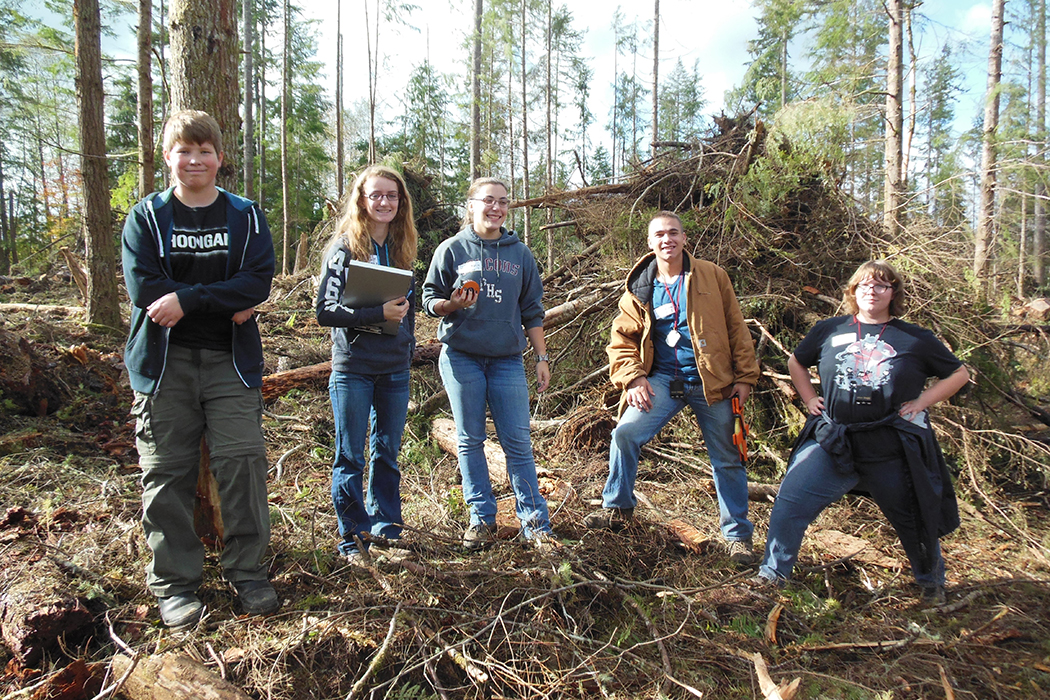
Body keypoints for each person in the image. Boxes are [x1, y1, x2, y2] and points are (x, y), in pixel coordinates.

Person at [121, 110, 278, 627]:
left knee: (242, 463)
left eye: (204, 151)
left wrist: (187, 299)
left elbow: (255, 283)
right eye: (184, 151)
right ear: (168, 157)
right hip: (164, 366)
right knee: (166, 473)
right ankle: (175, 584)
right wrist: (218, 297)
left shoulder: (246, 217)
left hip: (229, 362)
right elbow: (147, 290)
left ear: (219, 157)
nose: (195, 161)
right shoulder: (146, 218)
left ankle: (248, 571)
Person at [753, 260, 969, 604]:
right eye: (865, 285)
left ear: (893, 293)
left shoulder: (915, 338)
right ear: (853, 290)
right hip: (833, 439)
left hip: (890, 445)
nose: (873, 290)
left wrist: (921, 402)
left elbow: (958, 374)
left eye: (882, 285)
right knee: (790, 501)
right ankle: (772, 576)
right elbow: (796, 361)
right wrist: (808, 397)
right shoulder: (829, 329)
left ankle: (931, 582)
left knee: (913, 515)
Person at [584, 211, 761, 565]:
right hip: (662, 381)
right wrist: (633, 378)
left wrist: (745, 377)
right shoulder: (640, 287)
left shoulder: (712, 275)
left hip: (713, 382)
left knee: (728, 458)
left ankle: (738, 538)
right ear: (650, 243)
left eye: (674, 233)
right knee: (626, 434)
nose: (668, 240)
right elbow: (620, 340)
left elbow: (737, 329)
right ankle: (618, 509)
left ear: (684, 238)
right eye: (660, 235)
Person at [422, 177, 554, 550]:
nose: (496, 208)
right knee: (470, 439)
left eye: (503, 202)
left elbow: (532, 310)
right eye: (488, 200)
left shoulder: (520, 254)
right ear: (471, 204)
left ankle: (535, 524)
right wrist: (450, 305)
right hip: (461, 356)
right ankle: (481, 519)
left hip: (507, 360)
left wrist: (541, 357)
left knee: (517, 441)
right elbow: (429, 299)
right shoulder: (451, 249)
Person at [316, 165, 417, 563]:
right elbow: (325, 310)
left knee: (387, 453)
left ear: (400, 202)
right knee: (351, 456)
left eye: (391, 196)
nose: (384, 202)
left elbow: (405, 310)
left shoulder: (402, 247)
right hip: (354, 367)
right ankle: (352, 539)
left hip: (394, 367)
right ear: (361, 199)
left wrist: (407, 344)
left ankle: (387, 530)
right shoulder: (344, 247)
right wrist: (377, 314)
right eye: (376, 195)